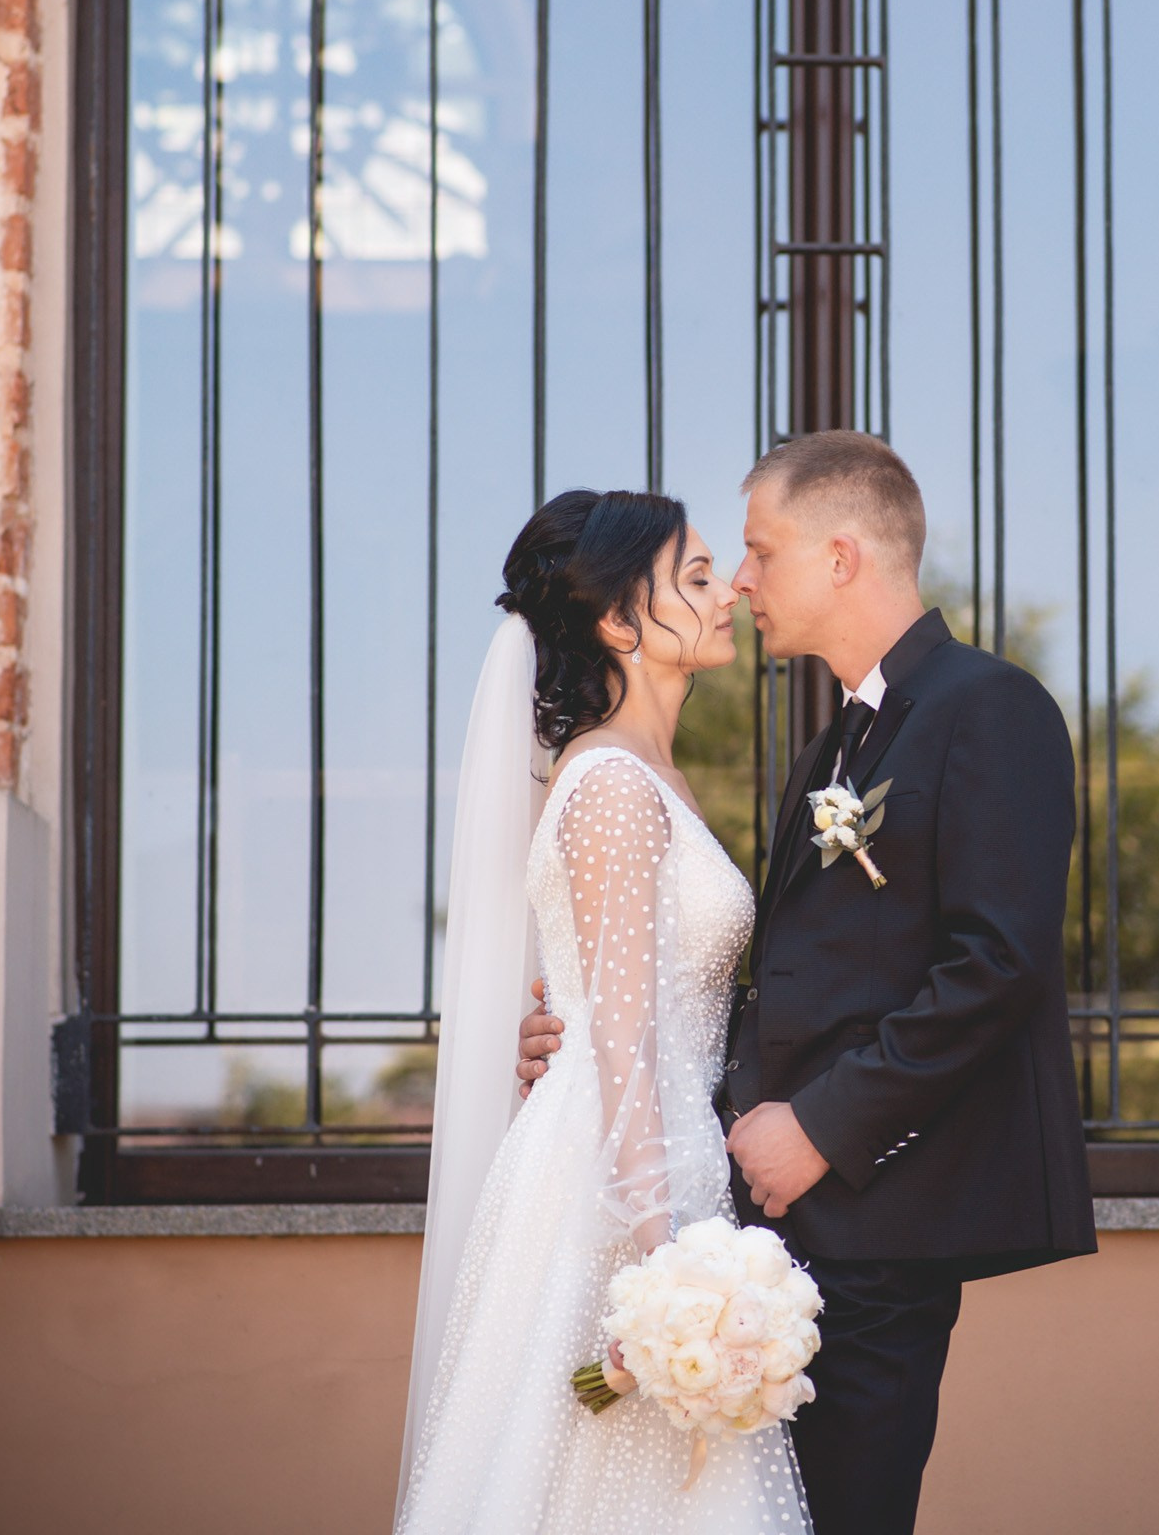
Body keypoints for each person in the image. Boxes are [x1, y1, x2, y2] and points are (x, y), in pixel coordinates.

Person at [519, 432, 1095, 1535]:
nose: (741, 581)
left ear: (840, 557)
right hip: (763, 1236)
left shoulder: (988, 706)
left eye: (759, 551)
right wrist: (583, 1035)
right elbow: (766, 984)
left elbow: (1000, 962)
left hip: (881, 1220)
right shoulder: (828, 751)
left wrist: (825, 1126)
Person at [395, 487, 811, 1535]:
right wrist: (669, 1267)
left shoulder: (645, 773)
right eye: (698, 577)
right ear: (621, 620)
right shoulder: (614, 784)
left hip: (659, 1153)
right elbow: (621, 1039)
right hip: (619, 1182)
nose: (729, 595)